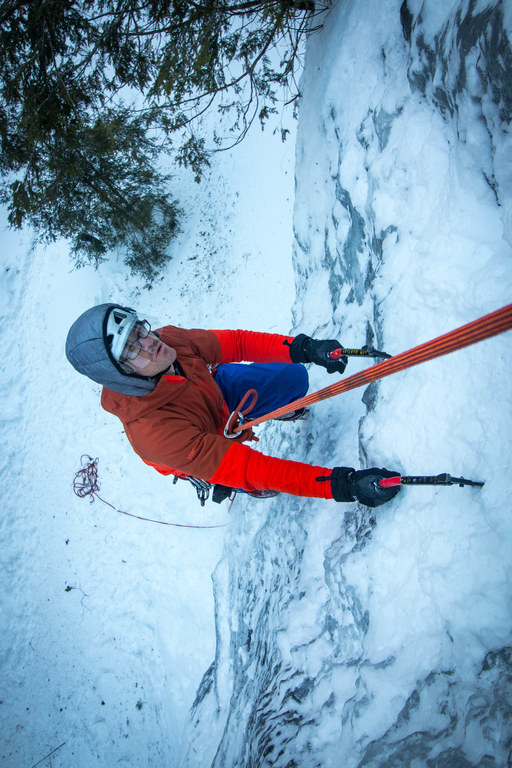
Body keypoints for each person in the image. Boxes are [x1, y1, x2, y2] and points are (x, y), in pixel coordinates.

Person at [65, 303, 400, 507]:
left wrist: (305, 349)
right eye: (132, 350)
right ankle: (223, 479)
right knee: (242, 473)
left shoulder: (170, 341)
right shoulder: (155, 435)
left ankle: (273, 405)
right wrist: (342, 486)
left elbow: (235, 343)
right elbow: (253, 468)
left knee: (294, 378)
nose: (150, 342)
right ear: (122, 375)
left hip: (210, 391)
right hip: (192, 441)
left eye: (139, 329)